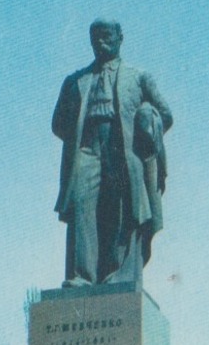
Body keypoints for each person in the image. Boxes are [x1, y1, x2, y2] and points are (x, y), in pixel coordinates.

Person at [52, 19, 173, 287]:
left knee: (121, 210)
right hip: (87, 150)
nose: (100, 41)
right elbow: (58, 124)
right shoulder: (75, 81)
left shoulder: (139, 77)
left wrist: (146, 119)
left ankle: (118, 274)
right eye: (94, 37)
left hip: (123, 149)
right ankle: (82, 275)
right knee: (82, 204)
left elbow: (165, 115)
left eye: (106, 36)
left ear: (121, 37)